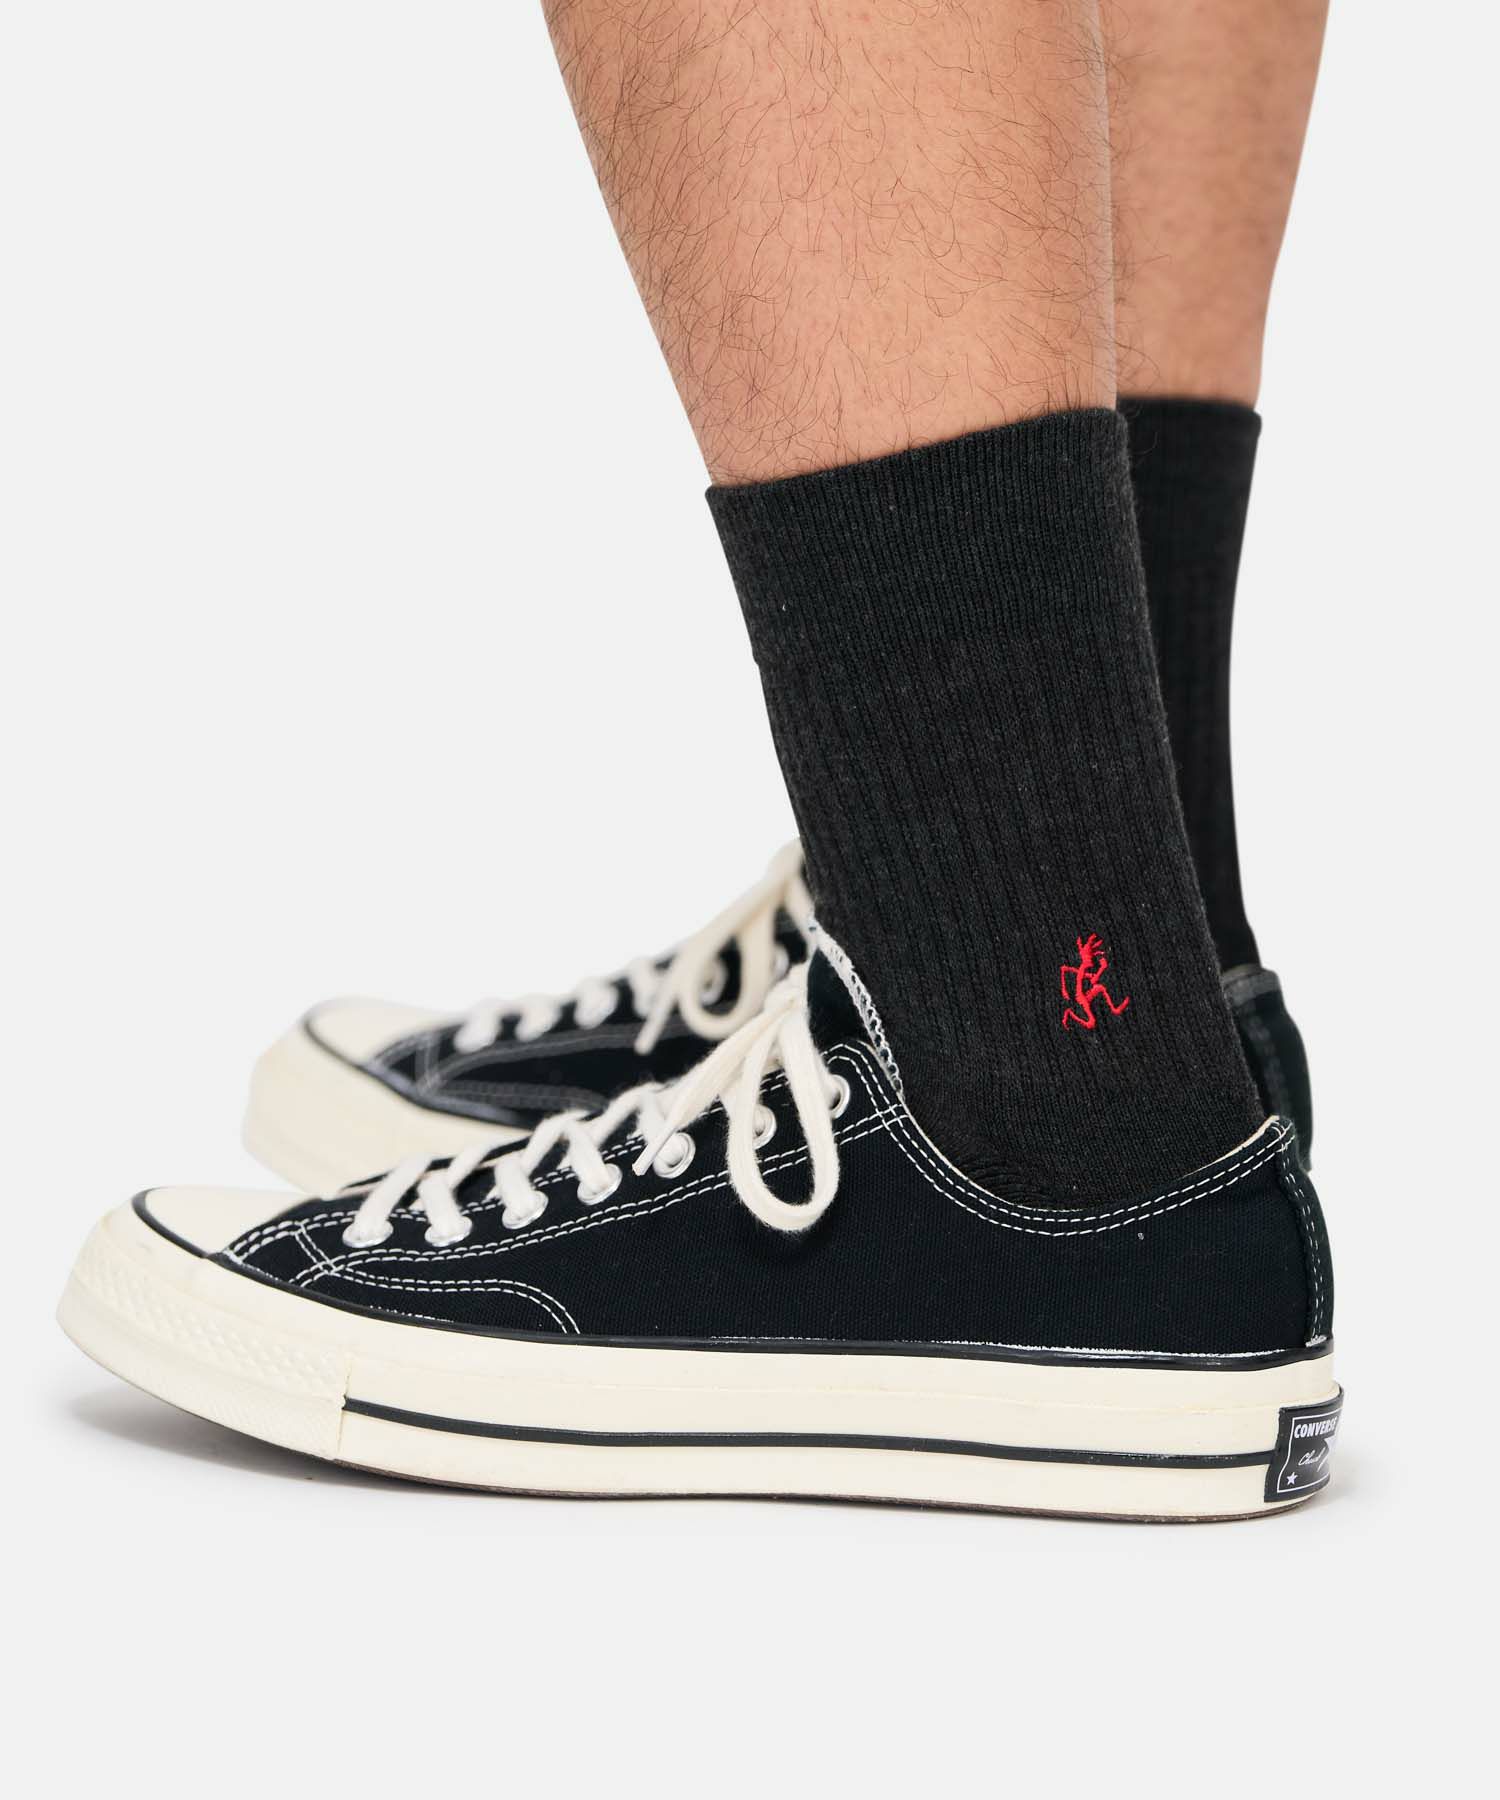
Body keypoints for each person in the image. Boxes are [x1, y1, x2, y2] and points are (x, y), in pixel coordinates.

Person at [61, 1, 1342, 1520]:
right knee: (1086, 967)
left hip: (1026, 1134)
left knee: (1031, 1031)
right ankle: (1130, 1008)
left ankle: (1034, 1087)